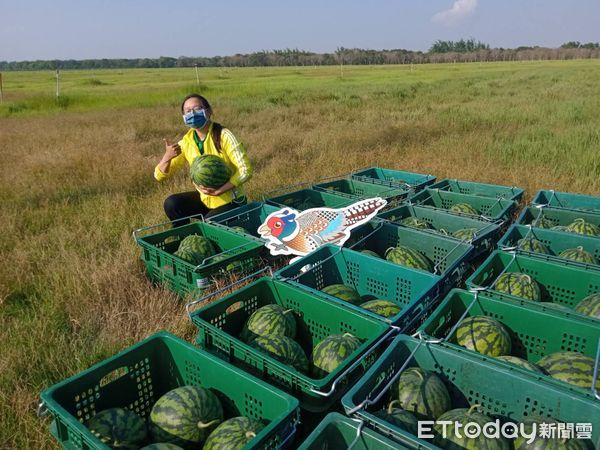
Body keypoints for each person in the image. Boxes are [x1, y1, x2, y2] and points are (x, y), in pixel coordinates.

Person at [155, 94, 252, 225]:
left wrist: (220, 190)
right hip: (205, 199)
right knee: (172, 204)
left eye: (197, 108)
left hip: (232, 201)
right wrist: (167, 157)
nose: (193, 114)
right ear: (184, 117)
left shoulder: (224, 136)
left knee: (209, 224)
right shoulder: (186, 142)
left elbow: (245, 171)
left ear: (209, 111)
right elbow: (159, 176)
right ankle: (185, 237)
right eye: (188, 111)